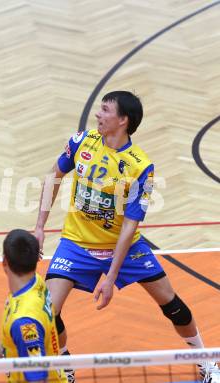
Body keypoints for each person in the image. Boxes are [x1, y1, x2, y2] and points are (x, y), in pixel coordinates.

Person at [34, 91, 217, 383]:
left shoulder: (140, 166)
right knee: (47, 311)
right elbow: (53, 175)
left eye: (105, 110)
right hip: (76, 245)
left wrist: (111, 277)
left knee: (172, 304)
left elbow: (130, 226)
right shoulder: (82, 141)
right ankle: (64, 363)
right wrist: (40, 226)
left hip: (125, 247)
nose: (98, 115)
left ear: (123, 120)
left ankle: (206, 361)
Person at [0, 229, 67, 383]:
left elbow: (38, 379)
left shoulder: (24, 322)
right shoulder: (37, 284)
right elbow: (16, 337)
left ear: (4, 261)